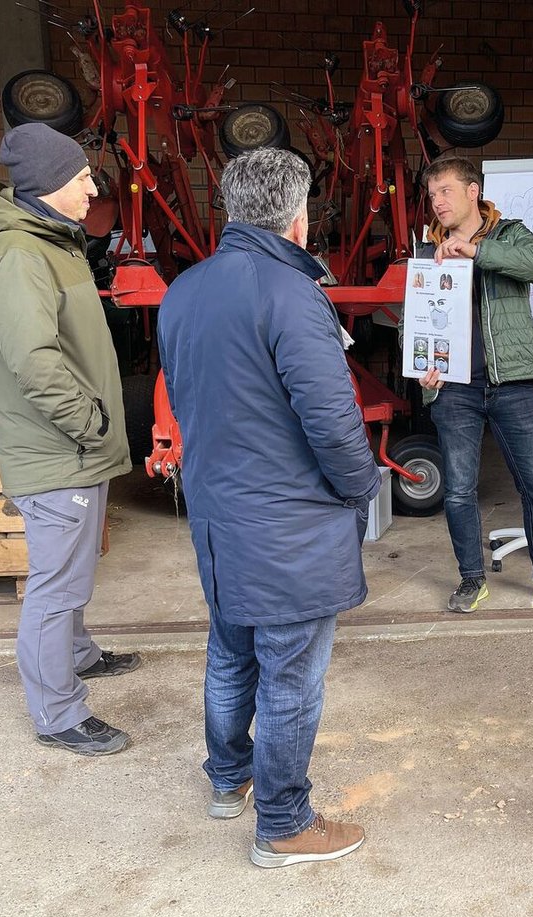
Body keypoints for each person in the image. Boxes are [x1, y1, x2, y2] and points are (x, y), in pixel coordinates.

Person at [158, 148, 383, 869]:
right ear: (299, 215)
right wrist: (362, 487)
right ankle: (284, 823)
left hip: (220, 513)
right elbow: (331, 416)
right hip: (289, 522)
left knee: (230, 651)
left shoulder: (184, 291)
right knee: (290, 675)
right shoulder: (290, 293)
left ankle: (229, 780)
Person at [0, 123, 139, 757]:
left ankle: (79, 655)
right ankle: (58, 713)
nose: (93, 187)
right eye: (81, 179)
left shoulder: (50, 240)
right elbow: (33, 359)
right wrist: (88, 422)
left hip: (72, 448)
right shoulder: (17, 253)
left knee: (73, 568)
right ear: (47, 187)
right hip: (58, 449)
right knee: (55, 584)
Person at [417, 156, 533, 614]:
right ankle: (472, 579)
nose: (437, 201)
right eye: (431, 195)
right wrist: (422, 367)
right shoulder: (427, 249)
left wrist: (476, 252)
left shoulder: (509, 235)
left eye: (445, 191)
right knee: (458, 491)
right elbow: (415, 319)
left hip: (511, 382)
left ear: (473, 191)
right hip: (453, 389)